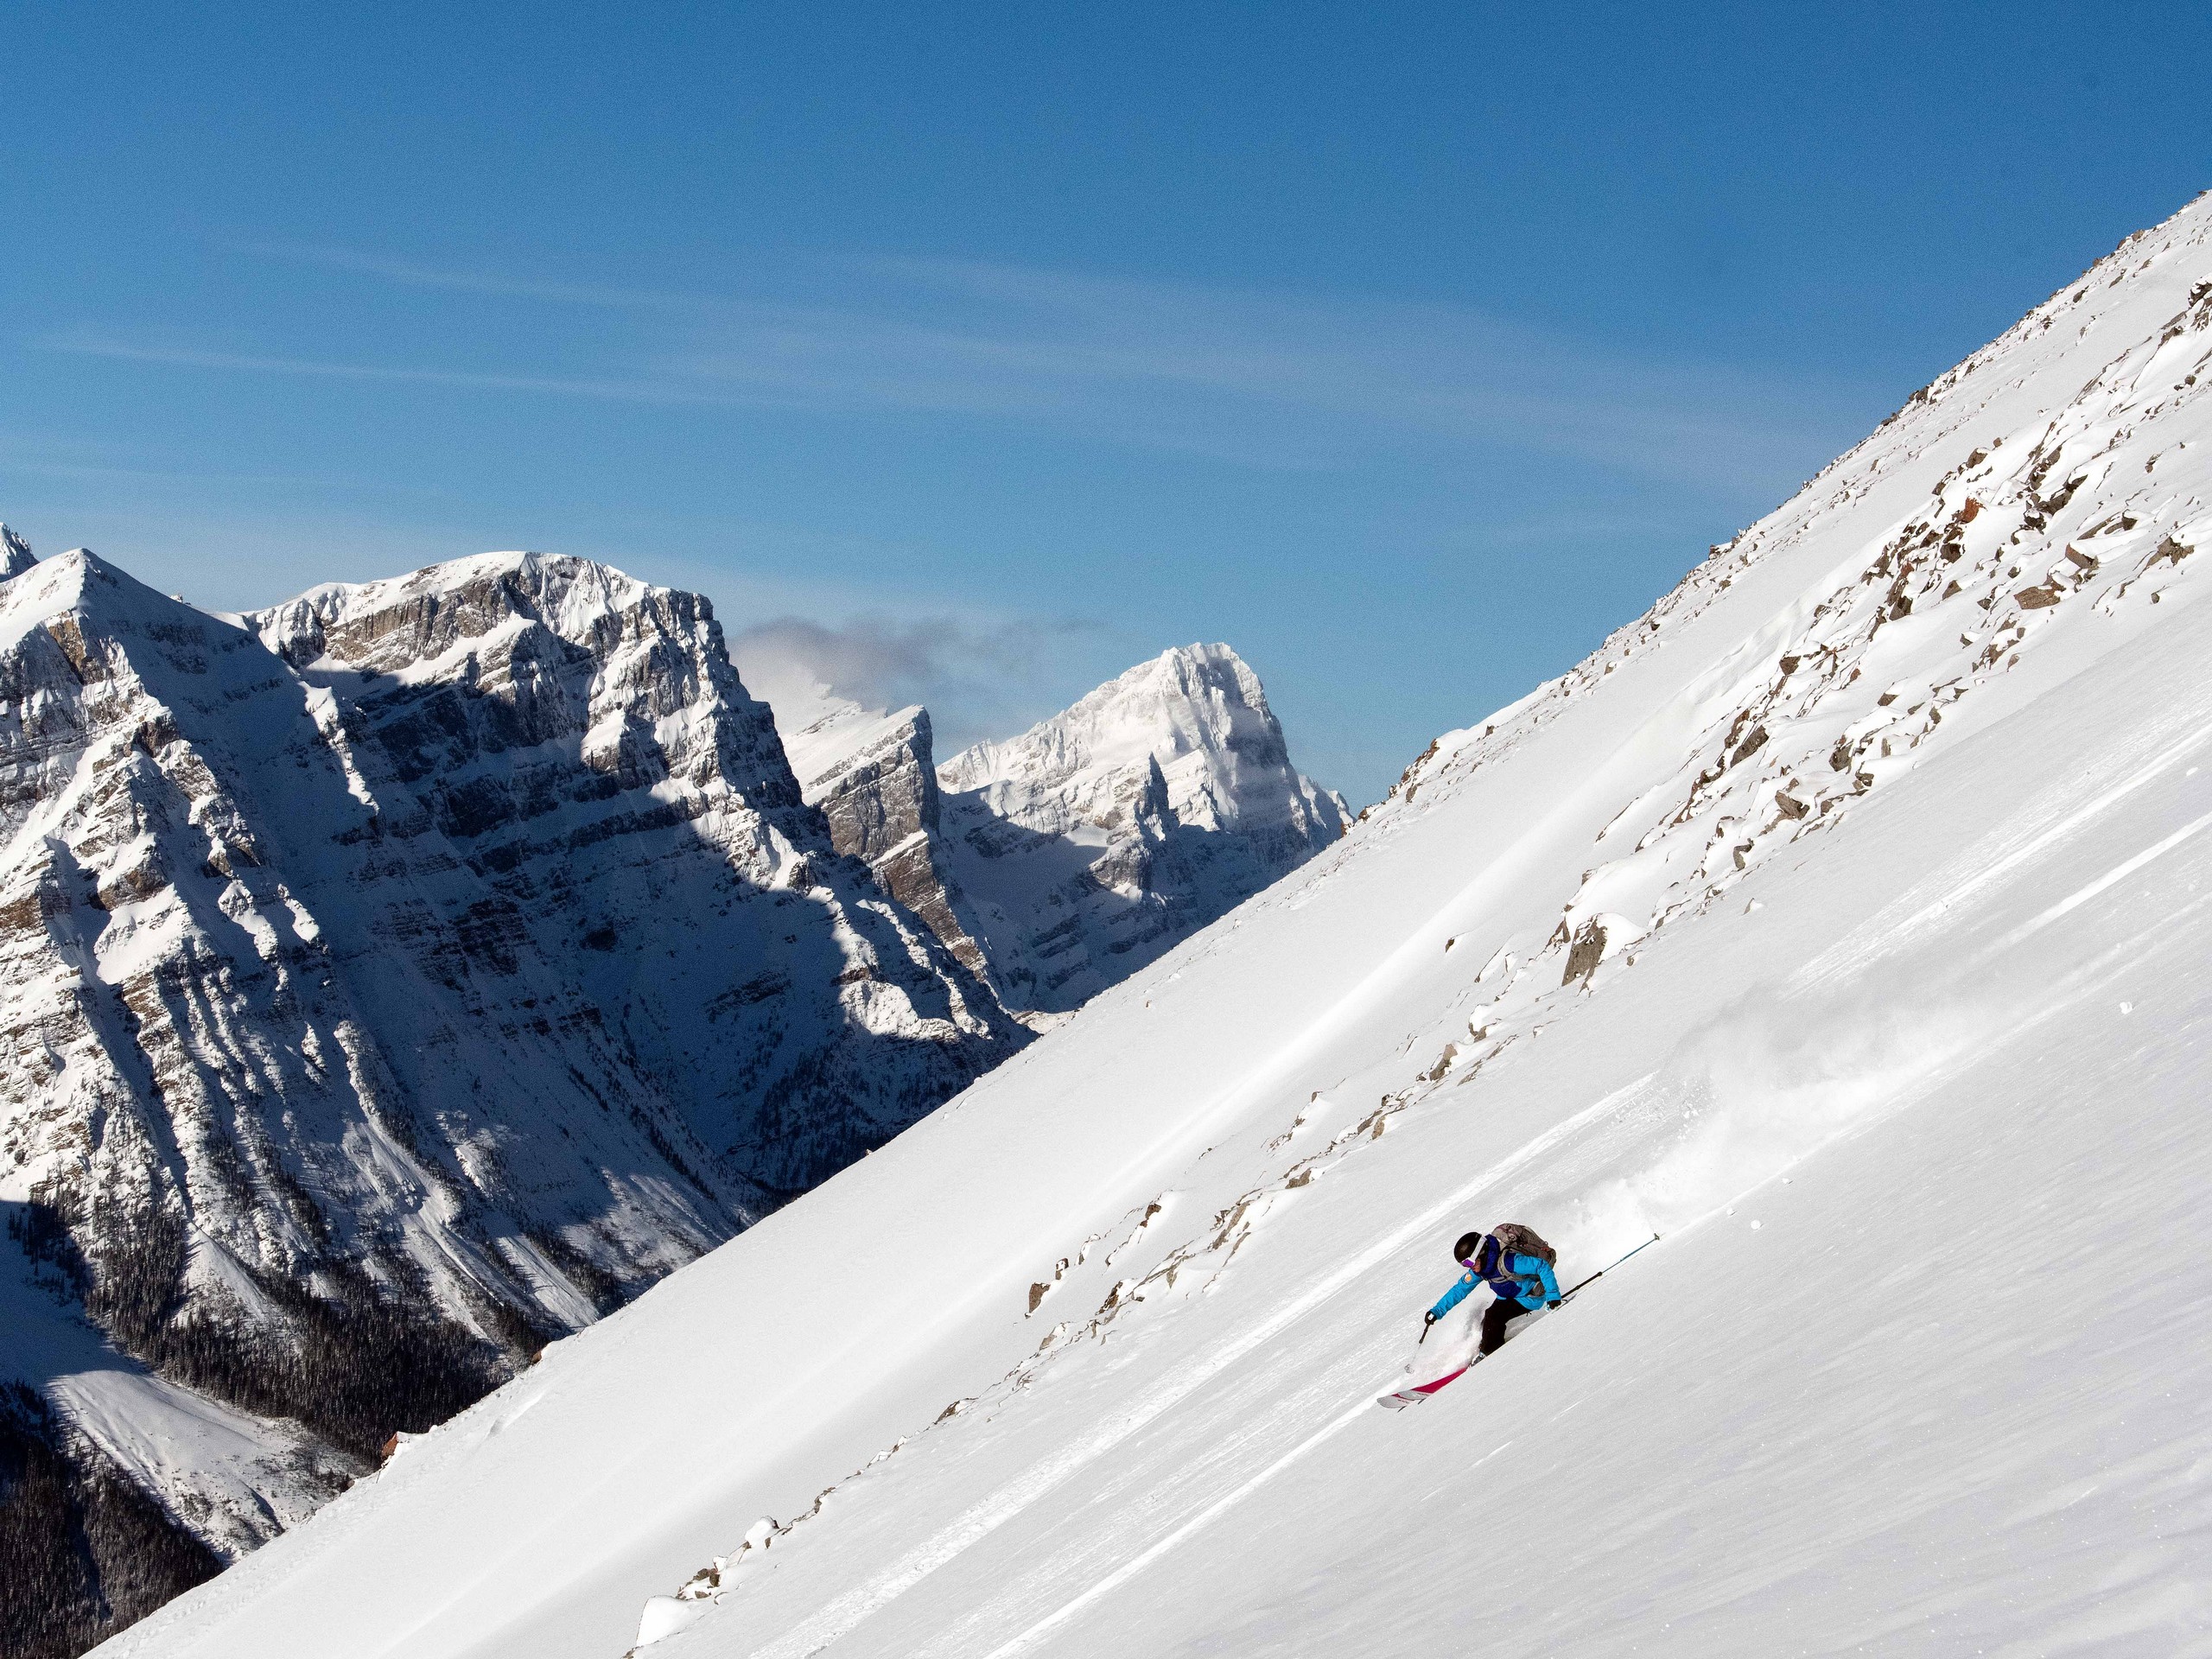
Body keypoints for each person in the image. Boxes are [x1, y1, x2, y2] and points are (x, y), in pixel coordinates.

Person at [1423, 1225, 1561, 1356]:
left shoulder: (1509, 1261)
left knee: (1494, 1317)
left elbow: (1541, 1266)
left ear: (1481, 1253)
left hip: (1529, 1296)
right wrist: (1437, 1311)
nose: (1469, 1268)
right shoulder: (1481, 1268)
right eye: (1464, 1264)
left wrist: (1553, 1296)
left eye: (1469, 1263)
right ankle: (1486, 1345)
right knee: (1486, 1320)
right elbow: (1460, 1289)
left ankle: (1490, 1354)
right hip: (1508, 1295)